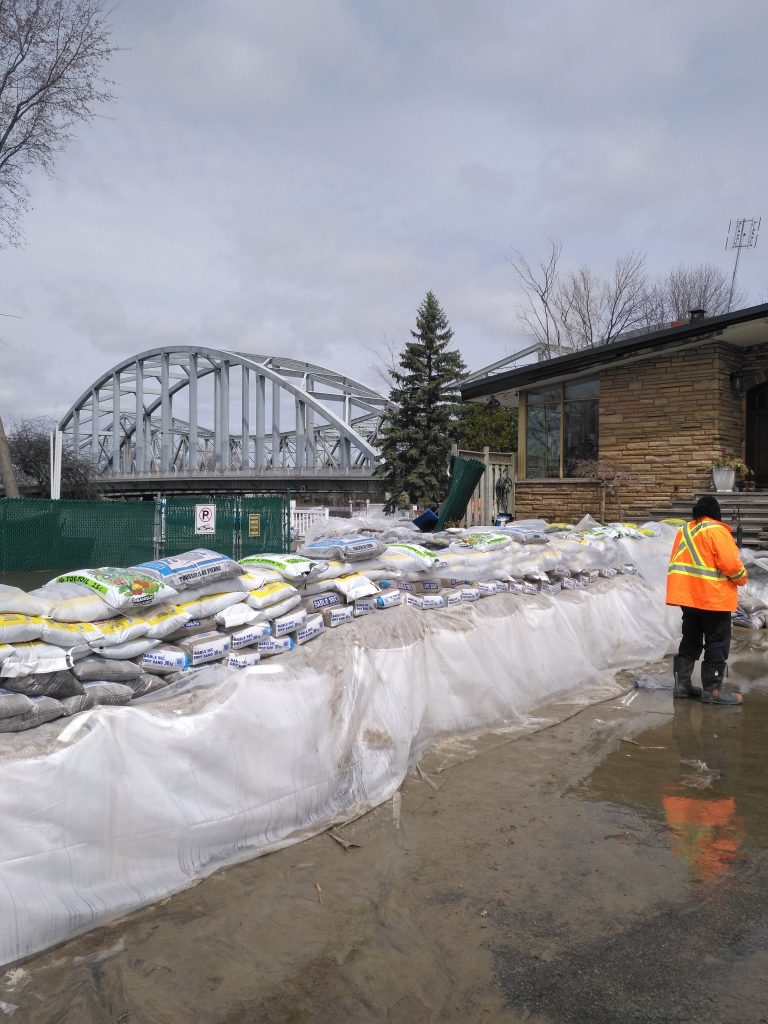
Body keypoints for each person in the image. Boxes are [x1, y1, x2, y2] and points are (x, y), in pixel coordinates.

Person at [666, 495, 747, 705]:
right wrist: (742, 578)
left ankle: (682, 686)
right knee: (717, 642)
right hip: (713, 598)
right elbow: (731, 565)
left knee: (690, 639)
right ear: (716, 513)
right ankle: (713, 691)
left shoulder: (684, 531)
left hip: (688, 597)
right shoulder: (717, 530)